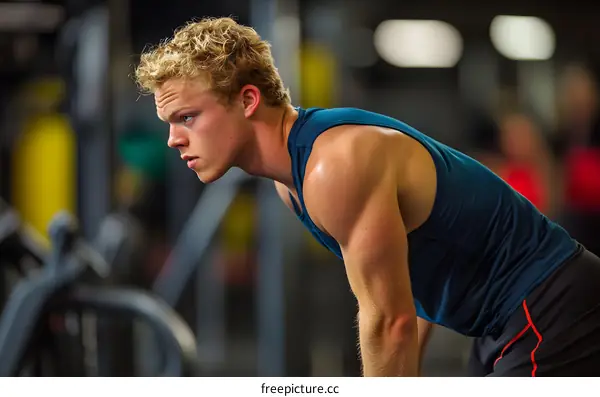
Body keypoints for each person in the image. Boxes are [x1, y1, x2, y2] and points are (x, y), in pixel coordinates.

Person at [134, 17, 600, 377]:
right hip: (502, 321)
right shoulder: (290, 184)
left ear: (248, 100)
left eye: (188, 117)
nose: (173, 139)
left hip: (548, 305)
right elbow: (404, 298)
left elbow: (387, 320)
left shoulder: (332, 166)